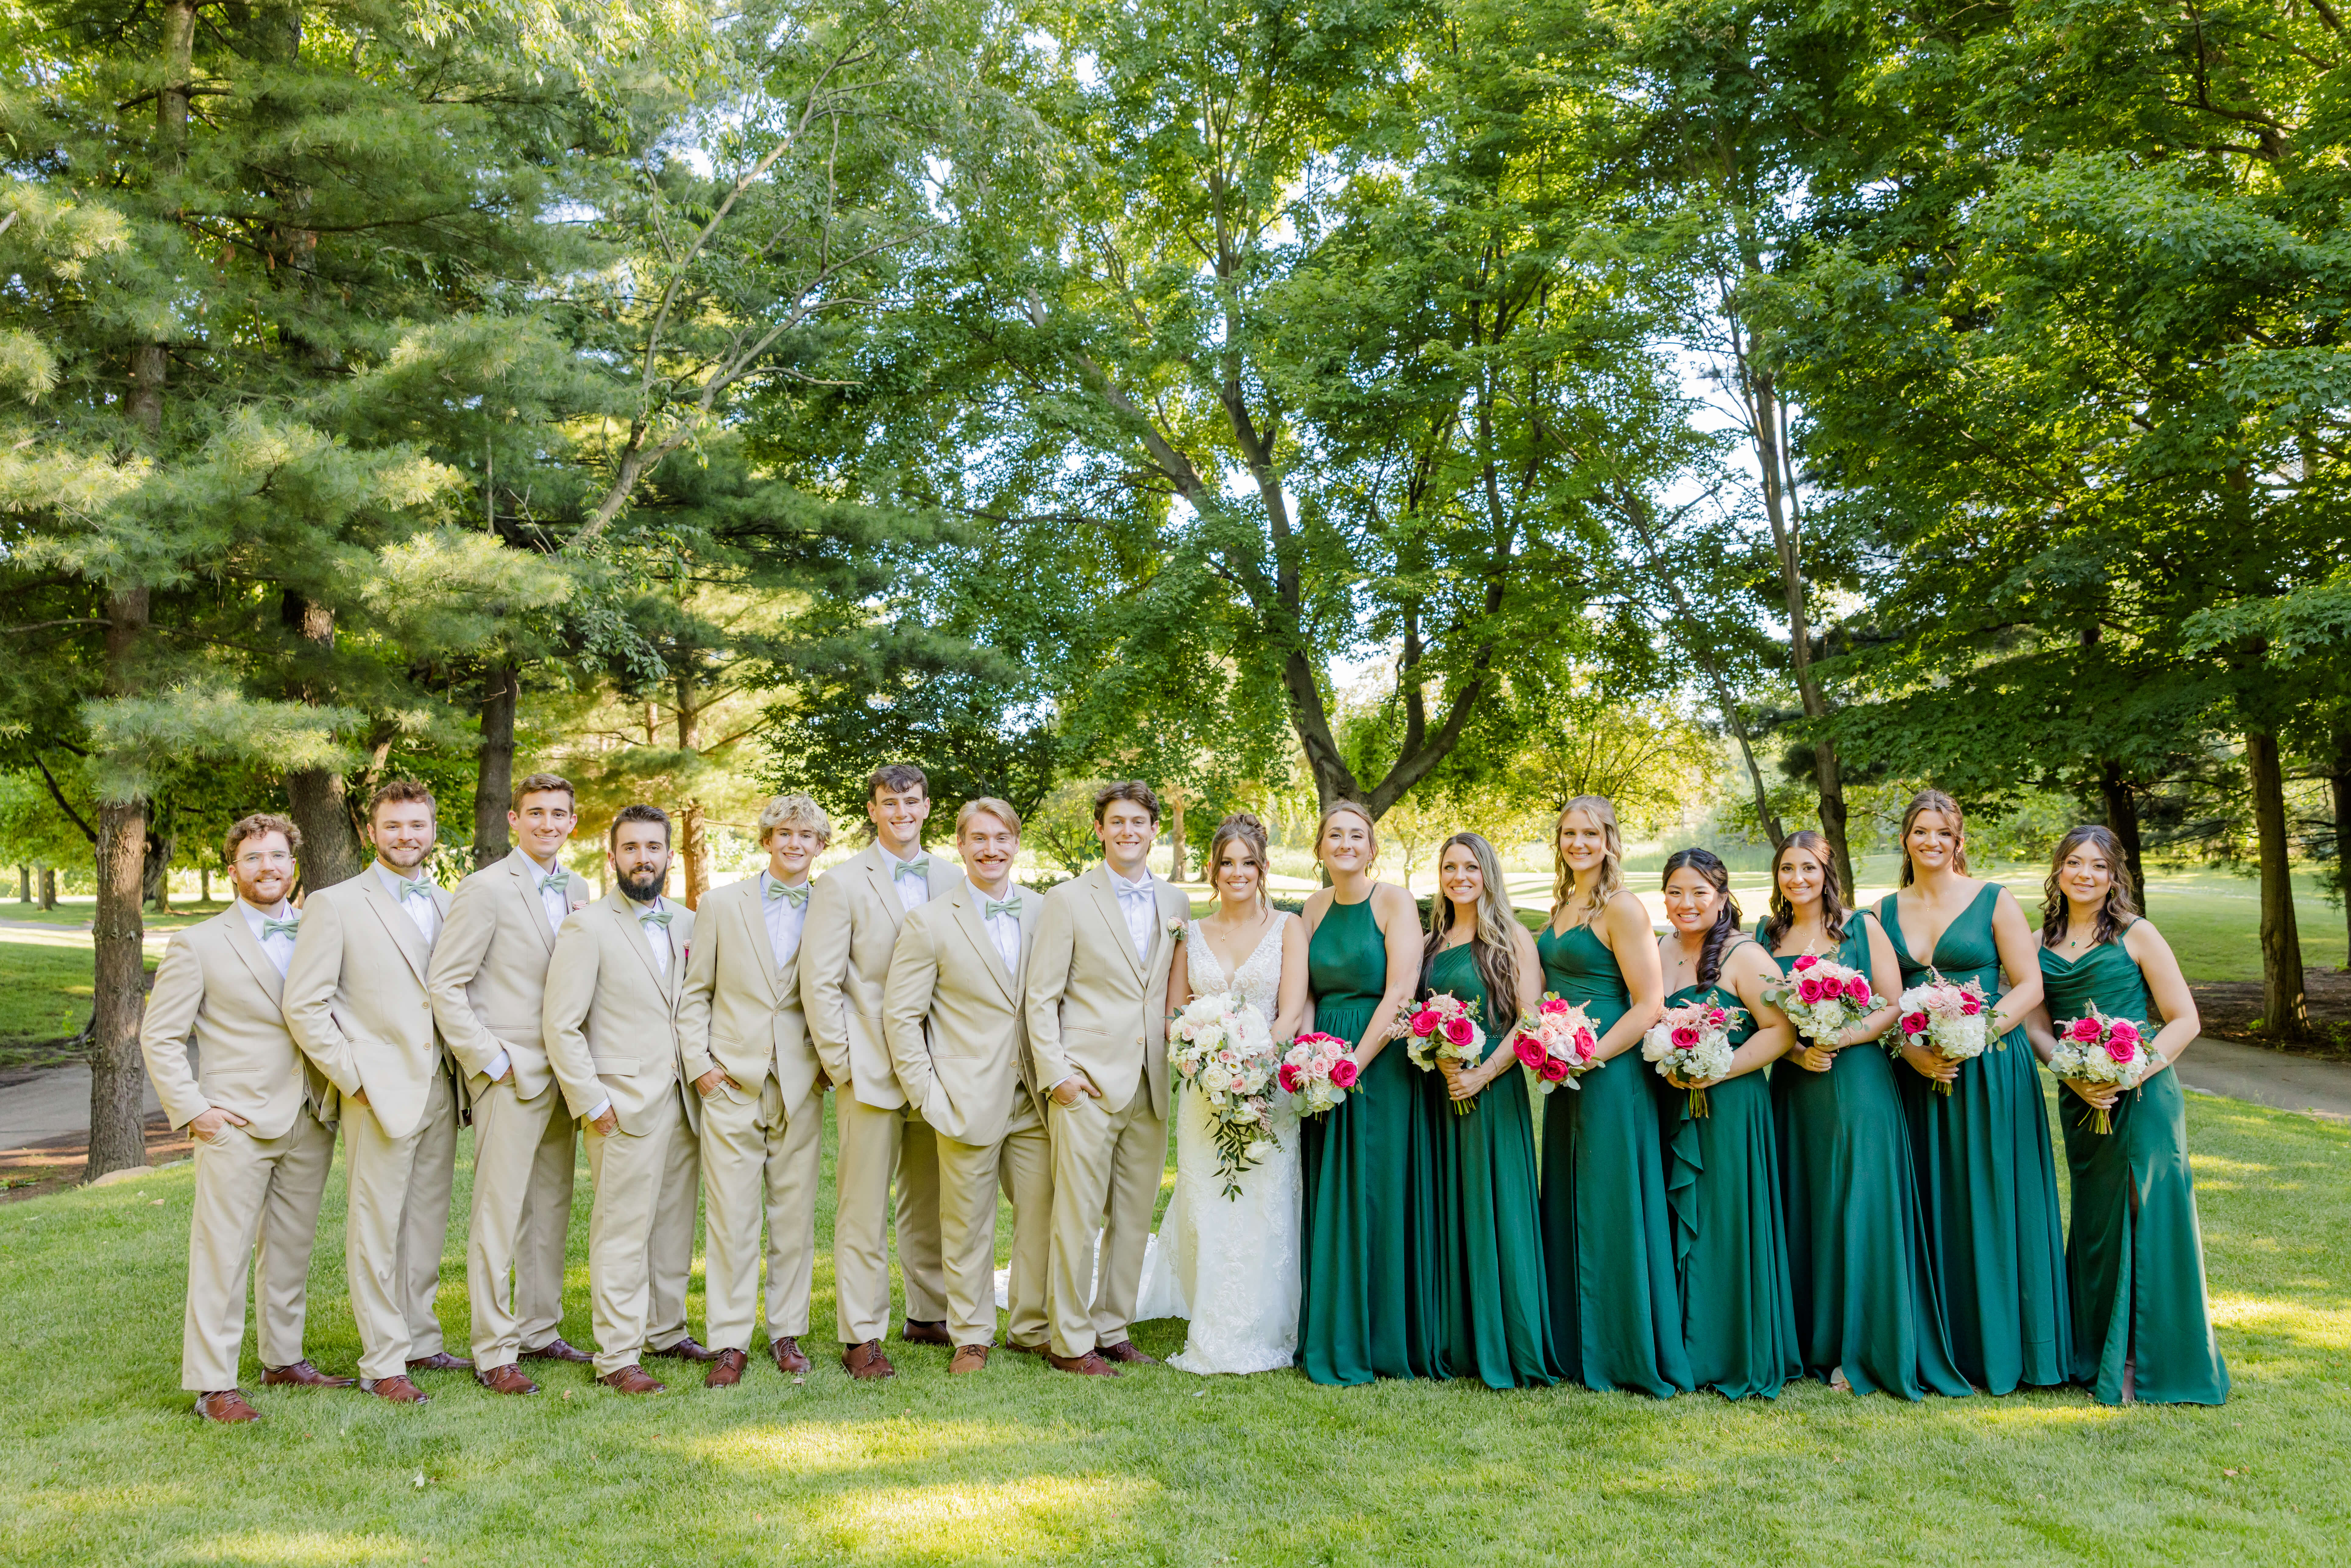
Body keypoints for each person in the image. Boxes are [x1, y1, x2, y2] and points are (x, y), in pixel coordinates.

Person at [139, 814, 349, 1422]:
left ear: (294, 865)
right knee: (222, 1253)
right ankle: (213, 1384)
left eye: (279, 858)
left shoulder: (320, 931)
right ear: (233, 870)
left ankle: (283, 1361)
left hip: (311, 1115)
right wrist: (195, 1111)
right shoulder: (198, 944)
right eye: (254, 859)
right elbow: (161, 1036)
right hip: (233, 1123)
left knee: (290, 1247)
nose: (268, 869)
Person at [2023, 826, 2229, 1406]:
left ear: (2115, 877)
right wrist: (2071, 1072)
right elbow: (2038, 1026)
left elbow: (2184, 1019)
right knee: (2096, 1217)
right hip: (2080, 1093)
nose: (2085, 875)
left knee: (2145, 1211)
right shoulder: (2039, 942)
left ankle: (2145, 1360)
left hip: (2142, 1093)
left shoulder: (2138, 935)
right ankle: (2090, 1352)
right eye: (2074, 863)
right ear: (2059, 870)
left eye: (2098, 867)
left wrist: (2128, 1073)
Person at [1761, 830, 1969, 1401]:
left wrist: (1839, 1036)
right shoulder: (1767, 934)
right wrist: (1800, 1050)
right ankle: (1805, 1342)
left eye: (1808, 868)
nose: (1797, 879)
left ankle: (1862, 1350)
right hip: (1796, 1083)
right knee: (1803, 1203)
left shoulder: (1860, 927)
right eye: (1786, 869)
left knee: (1859, 1207)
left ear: (1828, 873)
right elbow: (1762, 1013)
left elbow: (1891, 1003)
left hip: (1857, 1085)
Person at [1878, 789, 2071, 1393]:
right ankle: (1940, 1342)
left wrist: (1974, 1031)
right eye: (1920, 831)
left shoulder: (1993, 900)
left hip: (1990, 1069)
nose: (1931, 842)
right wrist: (1915, 1053)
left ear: (1958, 840)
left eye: (1943, 832)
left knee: (1993, 1198)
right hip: (1918, 1074)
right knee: (1932, 1204)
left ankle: (2010, 1349)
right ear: (1906, 839)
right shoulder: (1884, 911)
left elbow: (2030, 985)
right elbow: (1885, 1003)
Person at [283, 780, 468, 1402]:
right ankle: (383, 1362)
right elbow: (304, 1007)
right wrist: (354, 1077)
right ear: (371, 831)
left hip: (443, 1084)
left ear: (433, 830)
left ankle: (421, 1339)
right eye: (393, 826)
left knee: (426, 1220)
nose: (406, 837)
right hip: (376, 1090)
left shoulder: (448, 902)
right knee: (376, 1225)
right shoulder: (335, 904)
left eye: (417, 825)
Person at [426, 772, 595, 1387]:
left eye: (559, 813)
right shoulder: (485, 888)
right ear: (514, 822)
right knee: (498, 1214)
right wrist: (489, 1060)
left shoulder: (579, 887)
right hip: (509, 1072)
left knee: (550, 1208)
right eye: (537, 813)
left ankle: (540, 1329)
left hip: (566, 1073)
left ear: (573, 822)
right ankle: (494, 1350)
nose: (548, 823)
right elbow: (446, 984)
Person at [1025, 780, 1193, 1376]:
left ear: (1154, 830)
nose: (1128, 832)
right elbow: (1040, 998)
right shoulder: (1067, 900)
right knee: (1077, 1213)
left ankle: (1112, 1326)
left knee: (1133, 1216)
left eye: (1138, 823)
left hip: (1150, 1084)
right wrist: (1058, 1076)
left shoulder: (1176, 905)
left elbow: (1173, 994)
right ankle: (1070, 1341)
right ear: (1100, 830)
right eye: (1116, 822)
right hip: (1087, 1084)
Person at [800, 763, 962, 1378]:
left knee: (931, 1198)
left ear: (927, 807)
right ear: (873, 810)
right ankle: (860, 1334)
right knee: (862, 1208)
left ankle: (929, 1312)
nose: (902, 813)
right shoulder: (841, 884)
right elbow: (820, 981)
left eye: (912, 802)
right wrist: (843, 1064)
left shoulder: (953, 877)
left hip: (940, 1066)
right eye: (889, 803)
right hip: (868, 1066)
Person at [883, 798, 1051, 1375]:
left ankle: (1032, 1327)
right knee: (966, 1221)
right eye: (978, 838)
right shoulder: (930, 921)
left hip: (1035, 1095)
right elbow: (901, 1017)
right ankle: (973, 1335)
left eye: (1001, 837)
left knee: (1042, 1211)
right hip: (964, 1096)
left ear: (1016, 843)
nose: (990, 849)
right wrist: (928, 1094)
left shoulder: (1044, 911)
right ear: (960, 845)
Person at [1141, 812, 1310, 1375]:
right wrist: (1201, 1049)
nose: (1237, 872)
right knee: (1211, 1199)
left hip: (1268, 1089)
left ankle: (1267, 1322)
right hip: (1206, 1088)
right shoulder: (1191, 932)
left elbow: (1289, 1013)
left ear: (1263, 869)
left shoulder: (1288, 928)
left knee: (1266, 1202)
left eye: (1248, 863)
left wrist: (1257, 1060)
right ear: (1212, 869)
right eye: (1227, 863)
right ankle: (1212, 1319)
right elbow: (1173, 1012)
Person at [541, 805, 699, 1393]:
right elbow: (561, 1025)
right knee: (622, 1232)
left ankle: (666, 1329)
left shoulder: (687, 922)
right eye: (630, 849)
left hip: (683, 1101)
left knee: (674, 1227)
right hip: (621, 1103)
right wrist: (592, 1100)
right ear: (613, 857)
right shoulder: (588, 926)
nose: (643, 859)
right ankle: (617, 1356)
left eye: (653, 848)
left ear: (668, 856)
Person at [676, 794, 832, 1386]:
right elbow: (696, 995)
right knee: (731, 1218)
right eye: (785, 834)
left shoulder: (831, 906)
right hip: (731, 1082)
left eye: (807, 836)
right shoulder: (720, 904)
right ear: (767, 840)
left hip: (801, 1083)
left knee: (794, 1218)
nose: (795, 844)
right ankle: (730, 1340)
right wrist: (703, 1069)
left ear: (820, 846)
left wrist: (825, 1066)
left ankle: (787, 1332)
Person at [1534, 797, 1683, 1396]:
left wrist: (1588, 1055)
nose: (1578, 843)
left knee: (1613, 1205)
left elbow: (1649, 1003)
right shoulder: (1563, 905)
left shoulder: (1622, 908)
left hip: (1610, 1073)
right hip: (1564, 1074)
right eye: (1569, 833)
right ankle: (1574, 1345)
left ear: (1609, 839)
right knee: (1571, 1198)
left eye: (1589, 833)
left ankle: (1624, 1349)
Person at [1296, 801, 1438, 1386]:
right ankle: (1329, 1326)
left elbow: (1403, 988)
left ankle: (1381, 1336)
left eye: (1358, 835)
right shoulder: (1311, 907)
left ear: (1373, 847)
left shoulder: (1394, 901)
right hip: (1322, 1064)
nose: (1346, 843)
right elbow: (1302, 990)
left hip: (1377, 1064)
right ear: (1321, 847)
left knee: (1377, 1192)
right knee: (1329, 1189)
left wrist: (1352, 1065)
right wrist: (1308, 1057)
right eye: (1335, 834)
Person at [1655, 848, 1802, 1399]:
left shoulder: (1746, 955)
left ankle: (1727, 1348)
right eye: (1676, 892)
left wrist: (1718, 1071)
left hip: (1731, 1107)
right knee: (1673, 1219)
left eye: (1699, 893)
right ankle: (1680, 1347)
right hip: (1670, 1100)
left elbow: (1779, 1032)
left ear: (1722, 898)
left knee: (1722, 1223)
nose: (1686, 903)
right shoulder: (1660, 946)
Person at [1424, 832, 1560, 1389]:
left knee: (1493, 1206)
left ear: (1488, 874)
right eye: (1450, 867)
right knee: (1447, 1207)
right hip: (1438, 1091)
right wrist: (1440, 1060)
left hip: (1492, 1091)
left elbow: (1529, 1020)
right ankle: (1455, 1340)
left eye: (1471, 867)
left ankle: (1508, 1341)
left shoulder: (1512, 939)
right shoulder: (1433, 942)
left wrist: (1483, 1073)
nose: (1460, 877)